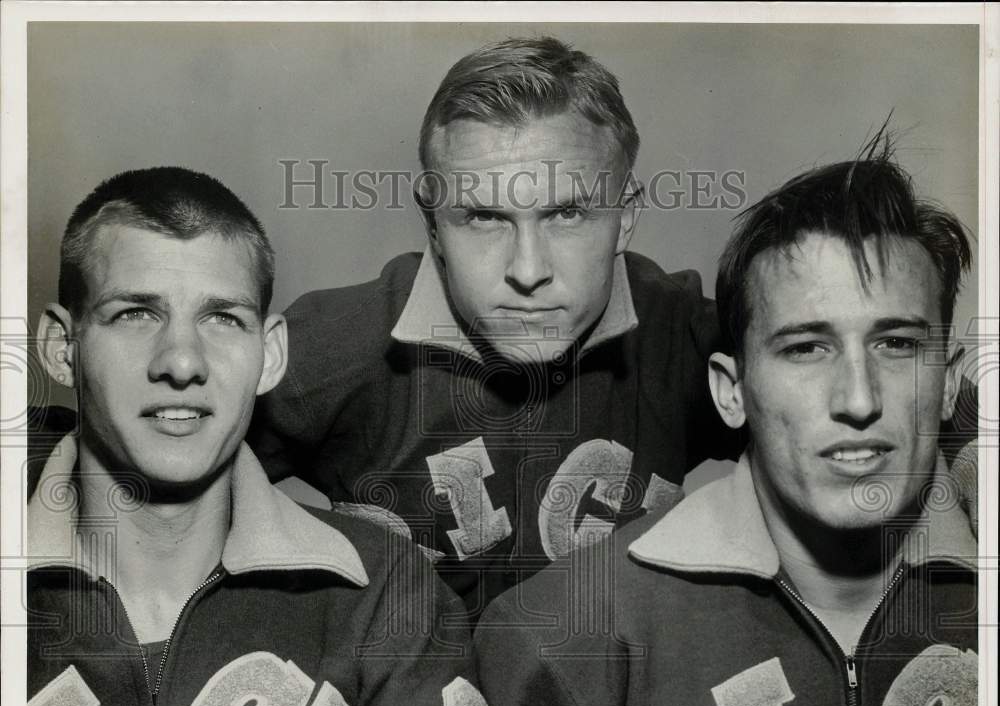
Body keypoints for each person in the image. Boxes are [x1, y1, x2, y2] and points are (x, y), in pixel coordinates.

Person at [474, 136, 979, 706]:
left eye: (897, 345)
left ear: (950, 384)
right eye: (806, 348)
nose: (858, 399)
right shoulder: (566, 636)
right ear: (730, 390)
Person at [25, 167, 503, 706]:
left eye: (222, 319)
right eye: (135, 314)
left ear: (270, 354)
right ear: (60, 345)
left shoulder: (388, 594)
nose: (183, 362)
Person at [249, 36, 737, 620]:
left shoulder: (686, 338)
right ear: (433, 225)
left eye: (568, 213)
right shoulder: (334, 350)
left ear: (625, 216)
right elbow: (140, 491)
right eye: (483, 217)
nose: (528, 272)